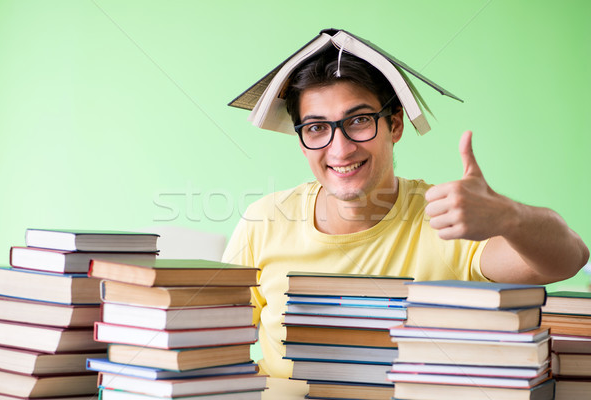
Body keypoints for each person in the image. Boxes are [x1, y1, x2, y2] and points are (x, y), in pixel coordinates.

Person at [222, 47, 589, 379]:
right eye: (317, 128)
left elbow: (568, 259)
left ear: (394, 125)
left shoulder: (449, 218)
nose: (340, 148)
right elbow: (214, 347)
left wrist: (509, 216)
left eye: (359, 120)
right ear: (303, 142)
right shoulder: (263, 221)